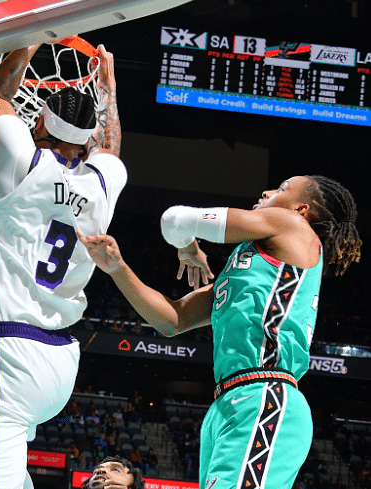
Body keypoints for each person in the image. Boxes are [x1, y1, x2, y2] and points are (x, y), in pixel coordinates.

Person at [80, 175, 362, 488]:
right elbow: (173, 320)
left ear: (301, 209)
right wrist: (118, 269)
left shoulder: (291, 224)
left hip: (265, 393)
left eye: (282, 189)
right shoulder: (248, 269)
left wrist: (187, 246)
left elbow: (175, 219)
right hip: (229, 401)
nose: (266, 191)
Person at [0, 38, 127, 489]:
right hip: (59, 360)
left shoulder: (21, 161)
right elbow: (110, 146)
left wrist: (30, 36)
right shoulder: (102, 185)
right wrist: (108, 93)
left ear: (40, 123)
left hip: (7, 353)